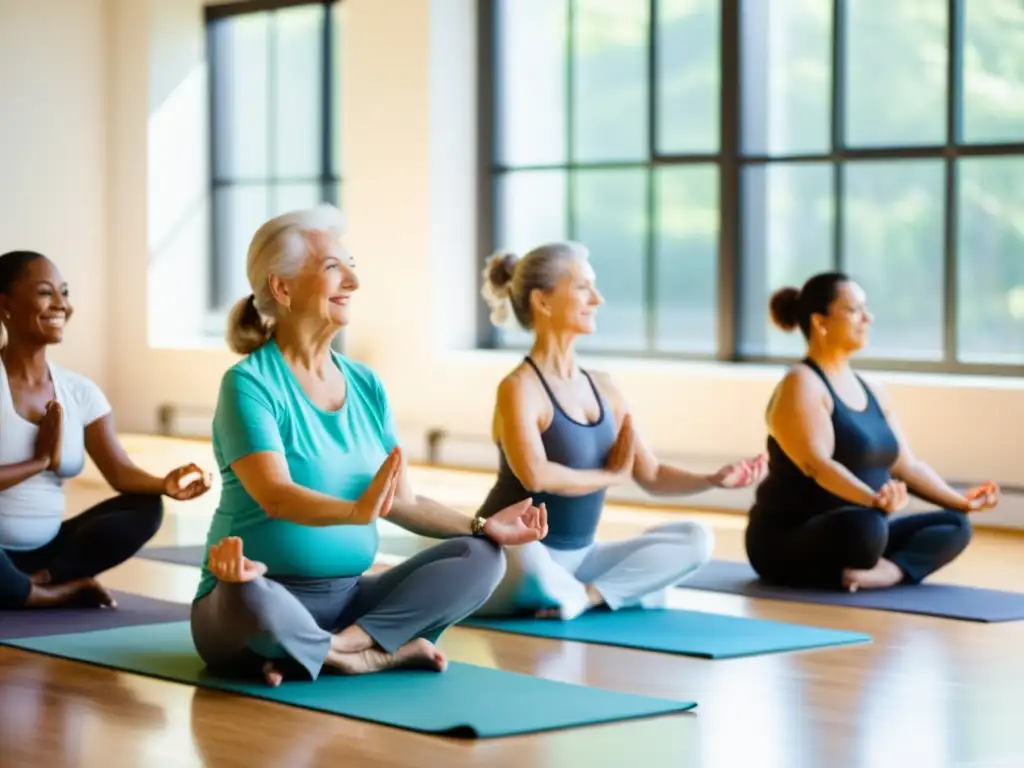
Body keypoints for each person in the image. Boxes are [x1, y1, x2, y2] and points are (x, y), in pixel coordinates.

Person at [191, 204, 547, 688]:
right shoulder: (249, 384)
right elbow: (275, 496)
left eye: (352, 267)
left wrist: (484, 525)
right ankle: (362, 652)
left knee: (481, 557)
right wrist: (356, 511)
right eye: (334, 268)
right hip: (253, 599)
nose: (353, 283)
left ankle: (338, 649)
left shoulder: (365, 385)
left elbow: (402, 502)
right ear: (282, 287)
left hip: (348, 604)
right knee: (250, 593)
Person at [470, 242, 767, 621]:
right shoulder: (519, 387)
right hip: (519, 554)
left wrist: (713, 479)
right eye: (582, 287)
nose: (597, 299)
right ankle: (584, 592)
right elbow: (536, 474)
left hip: (581, 557)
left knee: (696, 539)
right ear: (543, 301)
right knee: (521, 553)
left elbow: (652, 474)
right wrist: (609, 476)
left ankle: (586, 596)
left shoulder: (605, 387)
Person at [745, 271, 1000, 592]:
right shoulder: (802, 383)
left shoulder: (873, 390)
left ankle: (889, 571)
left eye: (866, 309)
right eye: (854, 310)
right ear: (820, 322)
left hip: (865, 523)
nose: (868, 318)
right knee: (867, 529)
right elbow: (818, 466)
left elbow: (906, 466)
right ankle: (865, 564)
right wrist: (875, 501)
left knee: (954, 525)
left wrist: (962, 502)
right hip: (790, 538)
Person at [0, 250, 212, 611]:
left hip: (51, 550)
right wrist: (39, 461)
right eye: (44, 292)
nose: (61, 305)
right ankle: (55, 594)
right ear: (5, 305)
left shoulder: (80, 392)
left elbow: (118, 472)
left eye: (64, 293)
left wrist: (164, 484)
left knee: (145, 507)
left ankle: (42, 580)